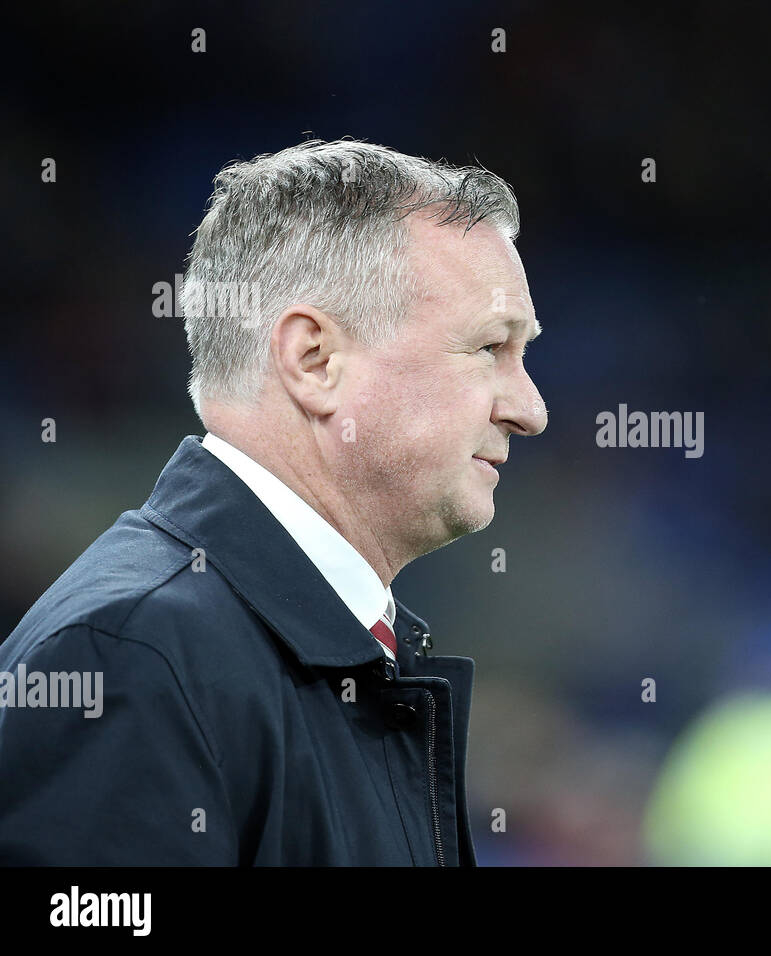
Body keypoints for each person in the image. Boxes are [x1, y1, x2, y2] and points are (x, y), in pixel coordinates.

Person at [0, 139, 547, 864]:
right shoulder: (134, 658)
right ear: (314, 361)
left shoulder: (291, 646)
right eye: (489, 349)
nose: (530, 409)